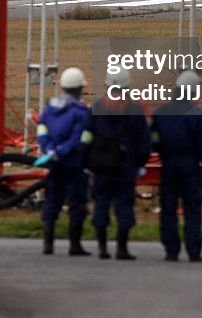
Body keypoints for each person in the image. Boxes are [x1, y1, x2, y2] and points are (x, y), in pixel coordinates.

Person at [82, 68, 150, 260]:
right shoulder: (134, 108)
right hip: (125, 166)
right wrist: (141, 162)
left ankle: (102, 247)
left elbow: (87, 136)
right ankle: (122, 248)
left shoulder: (97, 106)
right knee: (124, 205)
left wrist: (85, 160)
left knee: (101, 203)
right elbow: (142, 139)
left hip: (101, 166)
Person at [151, 70, 202, 262]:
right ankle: (194, 251)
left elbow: (153, 138)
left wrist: (161, 150)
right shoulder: (196, 114)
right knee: (192, 208)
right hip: (190, 166)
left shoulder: (161, 113)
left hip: (168, 164)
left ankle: (171, 250)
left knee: (168, 208)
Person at [35, 67, 92, 256]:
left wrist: (50, 150)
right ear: (79, 89)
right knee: (77, 202)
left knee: (52, 200)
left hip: (53, 162)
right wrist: (63, 151)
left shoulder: (50, 109)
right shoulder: (81, 111)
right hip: (74, 164)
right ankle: (74, 244)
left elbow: (42, 131)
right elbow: (79, 137)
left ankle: (47, 243)